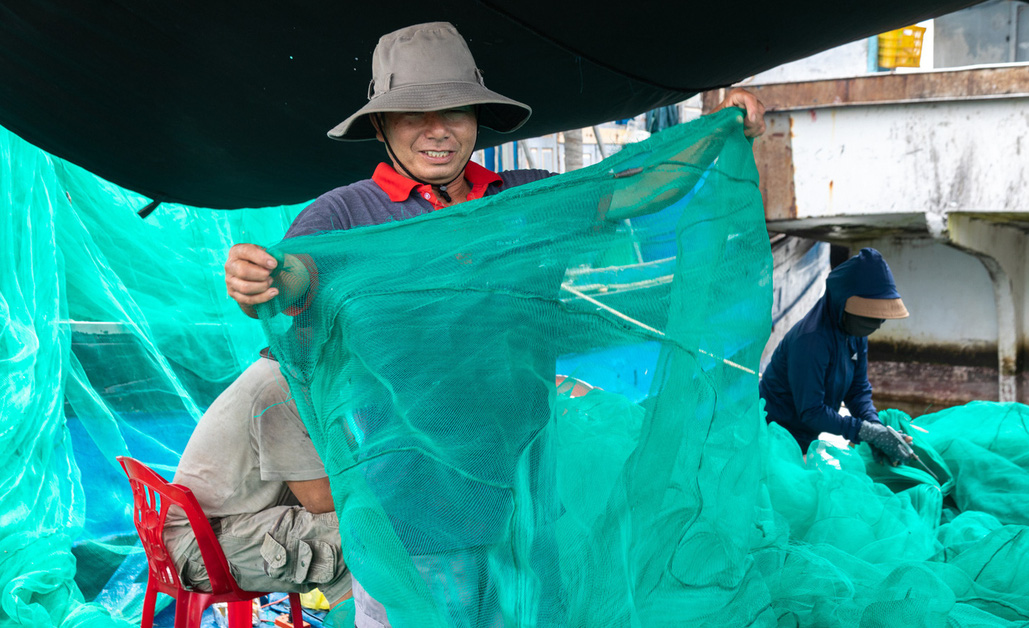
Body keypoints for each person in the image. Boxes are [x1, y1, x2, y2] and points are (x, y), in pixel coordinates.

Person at [219, 21, 765, 627]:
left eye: (455, 110)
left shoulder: (525, 202)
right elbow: (295, 278)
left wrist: (717, 131)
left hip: (523, 499)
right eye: (411, 114)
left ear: (478, 116)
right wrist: (259, 278)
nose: (437, 130)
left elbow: (642, 189)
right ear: (379, 126)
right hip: (410, 507)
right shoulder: (346, 215)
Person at [163, 354, 352, 606]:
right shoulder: (279, 389)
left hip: (220, 524)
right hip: (201, 547)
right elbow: (319, 500)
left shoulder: (284, 373)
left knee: (363, 527)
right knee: (358, 534)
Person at [759, 247, 916, 465]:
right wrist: (863, 431)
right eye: (869, 315)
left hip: (806, 440)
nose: (877, 324)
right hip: (773, 437)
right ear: (842, 304)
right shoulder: (811, 341)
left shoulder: (855, 333)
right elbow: (811, 411)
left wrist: (876, 428)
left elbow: (858, 390)